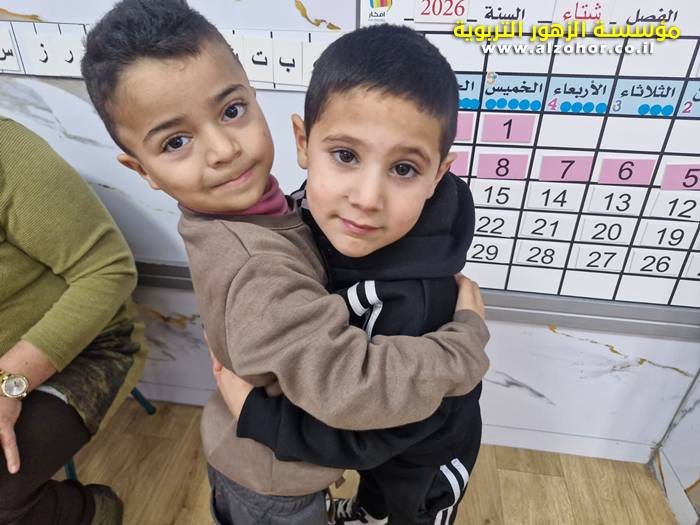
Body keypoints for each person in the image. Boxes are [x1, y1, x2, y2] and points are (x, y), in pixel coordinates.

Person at [80, 2, 489, 524]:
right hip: (271, 479)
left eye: (231, 111)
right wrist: (465, 344)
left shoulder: (268, 206)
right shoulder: (256, 267)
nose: (223, 150)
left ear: (254, 98)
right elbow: (352, 385)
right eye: (176, 142)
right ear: (144, 171)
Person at [214, 24, 484, 525]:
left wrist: (259, 416)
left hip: (423, 461)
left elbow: (375, 431)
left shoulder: (415, 303)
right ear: (303, 142)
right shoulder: (303, 207)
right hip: (367, 433)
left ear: (437, 175)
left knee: (399, 510)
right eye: (345, 156)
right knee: (371, 497)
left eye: (403, 169)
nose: (366, 197)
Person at [0, 117, 148, 525]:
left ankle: (93, 511)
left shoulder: (5, 148)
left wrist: (7, 383)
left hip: (88, 347)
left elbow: (108, 270)